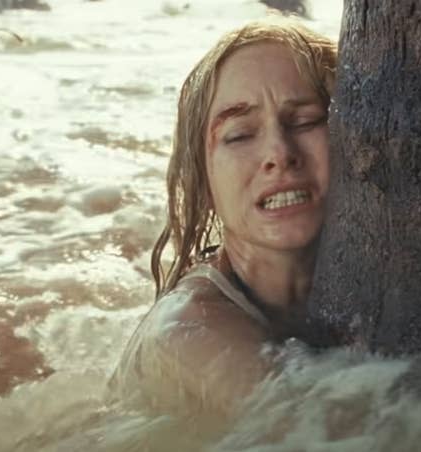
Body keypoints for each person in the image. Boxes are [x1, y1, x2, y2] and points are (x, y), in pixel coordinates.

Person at [108, 16, 337, 428]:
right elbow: (327, 434)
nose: (279, 153)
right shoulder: (186, 333)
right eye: (239, 135)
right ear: (204, 179)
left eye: (304, 122)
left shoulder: (334, 290)